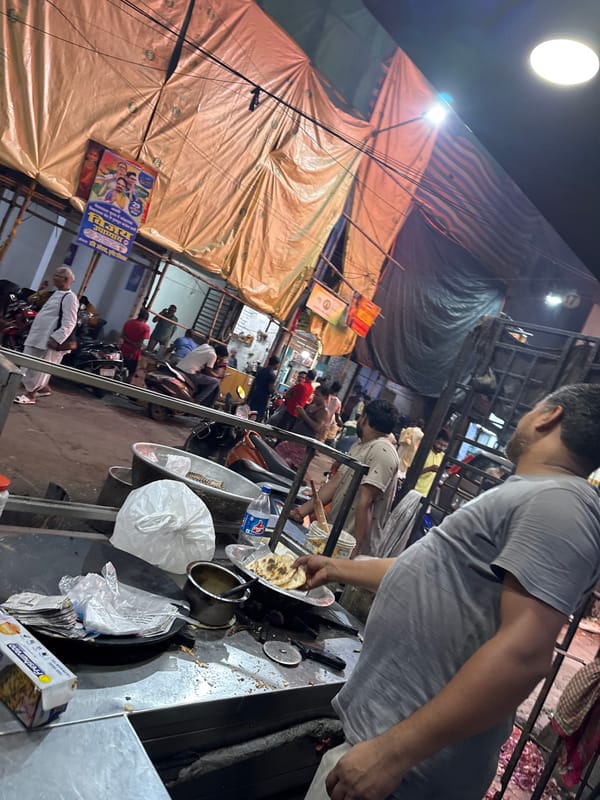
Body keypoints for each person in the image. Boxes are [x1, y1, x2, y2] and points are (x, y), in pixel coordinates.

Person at [299, 383, 600, 800]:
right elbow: (428, 574)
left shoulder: (559, 504)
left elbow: (525, 655)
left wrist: (392, 754)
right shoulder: (532, 496)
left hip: (401, 771)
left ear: (550, 417)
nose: (522, 419)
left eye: (531, 409)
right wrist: (335, 568)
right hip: (382, 751)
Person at [291, 399, 399, 556]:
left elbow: (366, 503)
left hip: (350, 546)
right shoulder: (361, 445)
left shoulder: (382, 451)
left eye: (361, 417)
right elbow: (335, 483)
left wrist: (357, 550)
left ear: (366, 419)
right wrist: (301, 512)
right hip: (335, 536)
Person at [13, 267, 78, 405]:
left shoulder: (70, 298)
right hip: (38, 336)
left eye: (57, 276)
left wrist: (56, 338)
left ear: (65, 279)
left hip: (49, 340)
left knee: (40, 369)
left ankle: (31, 396)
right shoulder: (56, 293)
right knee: (28, 364)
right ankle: (43, 389)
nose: (54, 278)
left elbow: (70, 322)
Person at [275, 385, 332, 470]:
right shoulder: (312, 405)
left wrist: (303, 414)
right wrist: (300, 414)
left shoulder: (324, 411)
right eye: (314, 394)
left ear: (325, 397)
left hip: (305, 445)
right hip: (295, 439)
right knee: (278, 456)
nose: (315, 397)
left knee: (291, 466)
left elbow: (317, 427)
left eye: (317, 395)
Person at [177, 341, 227, 405]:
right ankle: (196, 401)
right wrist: (218, 376)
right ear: (219, 355)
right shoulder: (213, 355)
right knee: (215, 382)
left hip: (180, 366)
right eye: (221, 357)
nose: (219, 359)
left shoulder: (205, 345)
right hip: (189, 373)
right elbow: (208, 371)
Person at [414, 428, 449, 495]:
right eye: (440, 444)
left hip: (425, 493)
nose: (441, 448)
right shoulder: (424, 452)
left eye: (445, 446)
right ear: (434, 440)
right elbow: (413, 472)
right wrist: (429, 469)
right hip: (414, 490)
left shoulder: (442, 456)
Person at [120, 309, 151, 381]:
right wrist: (132, 349)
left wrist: (130, 342)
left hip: (123, 349)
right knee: (130, 373)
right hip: (134, 353)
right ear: (146, 318)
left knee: (119, 369)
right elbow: (139, 344)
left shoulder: (129, 322)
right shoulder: (146, 328)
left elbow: (122, 336)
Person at [248, 355, 280, 422]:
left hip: (255, 394)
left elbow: (254, 383)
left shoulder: (261, 370)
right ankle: (250, 430)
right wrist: (276, 392)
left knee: (250, 413)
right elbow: (270, 389)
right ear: (276, 364)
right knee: (257, 417)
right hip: (262, 398)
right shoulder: (272, 375)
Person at [324, 380, 344, 446]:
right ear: (339, 390)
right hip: (325, 425)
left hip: (315, 419)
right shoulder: (338, 402)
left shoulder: (324, 395)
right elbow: (337, 418)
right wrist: (342, 425)